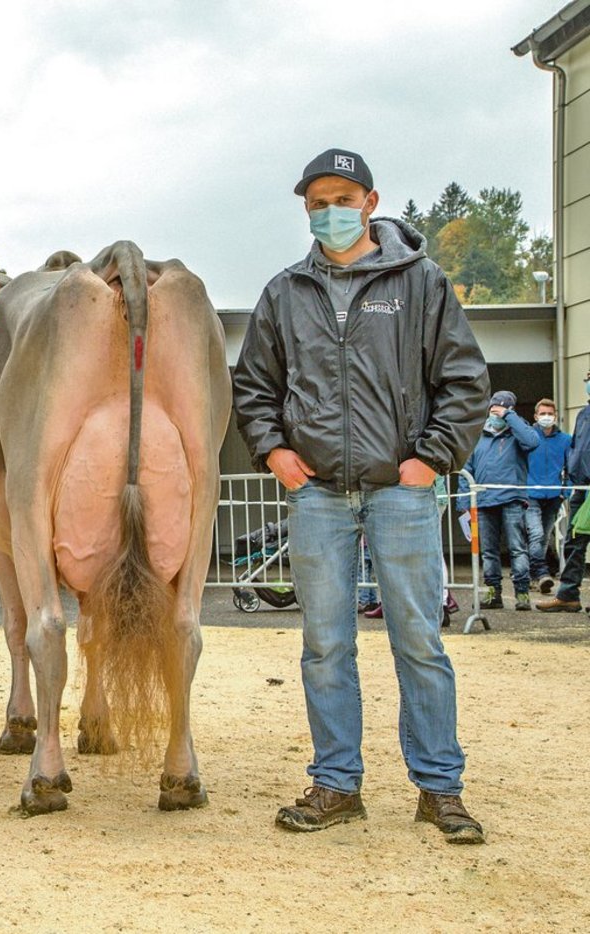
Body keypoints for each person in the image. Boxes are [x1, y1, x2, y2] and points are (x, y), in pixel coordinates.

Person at [232, 149, 488, 843]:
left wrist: (430, 459)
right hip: (317, 497)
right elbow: (253, 387)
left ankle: (440, 788)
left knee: (419, 641)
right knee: (324, 645)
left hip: (400, 492)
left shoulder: (422, 282)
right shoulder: (285, 292)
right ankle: (336, 783)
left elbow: (464, 381)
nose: (329, 212)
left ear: (371, 202)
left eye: (342, 198)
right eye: (316, 202)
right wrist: (274, 452)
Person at [458, 391, 540, 610]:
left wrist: (510, 417)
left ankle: (522, 593)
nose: (495, 414)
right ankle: (493, 593)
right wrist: (464, 504)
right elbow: (467, 469)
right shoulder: (479, 435)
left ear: (510, 411)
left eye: (500, 411)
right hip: (484, 500)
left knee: (517, 548)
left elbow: (533, 442)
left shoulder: (518, 432)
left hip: (512, 499)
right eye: (492, 410)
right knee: (489, 551)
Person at [537, 371, 590, 612]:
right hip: (581, 487)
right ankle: (568, 594)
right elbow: (577, 450)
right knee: (574, 542)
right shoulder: (583, 414)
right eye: (586, 378)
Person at [525, 397, 571, 593]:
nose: (546, 417)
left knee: (543, 539)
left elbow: (571, 467)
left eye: (550, 414)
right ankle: (542, 573)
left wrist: (565, 491)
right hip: (530, 495)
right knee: (535, 534)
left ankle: (532, 576)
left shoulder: (566, 440)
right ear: (535, 416)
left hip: (553, 496)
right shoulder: (528, 438)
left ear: (556, 416)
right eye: (542, 414)